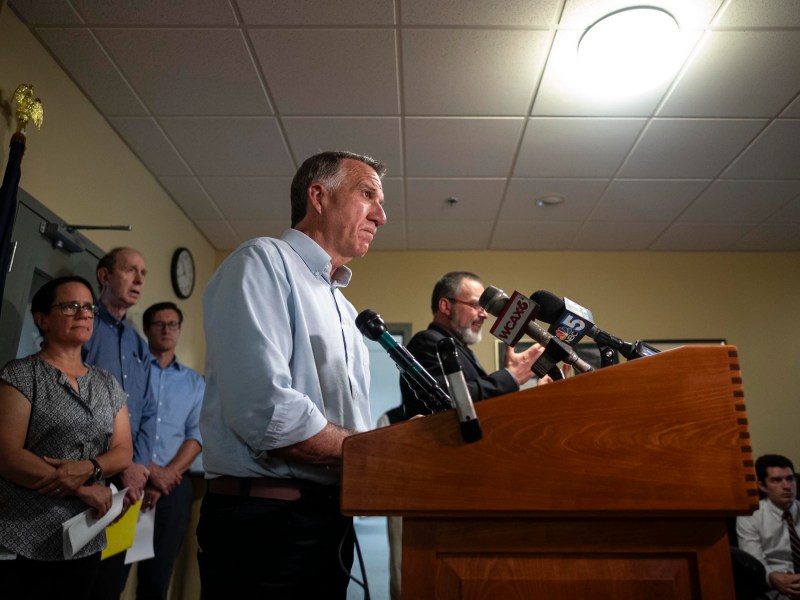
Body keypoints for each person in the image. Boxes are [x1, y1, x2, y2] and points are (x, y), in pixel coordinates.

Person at [197, 150, 387, 598]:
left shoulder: (346, 310)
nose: (381, 216)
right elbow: (267, 412)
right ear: (318, 197)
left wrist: (381, 450)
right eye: (367, 195)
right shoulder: (262, 261)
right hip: (266, 528)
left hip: (328, 525)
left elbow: (348, 426)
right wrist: (376, 450)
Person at [0, 276, 132, 599]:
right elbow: (7, 456)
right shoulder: (21, 375)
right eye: (70, 306)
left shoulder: (107, 384)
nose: (83, 313)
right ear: (42, 319)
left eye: (88, 307)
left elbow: (123, 450)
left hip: (85, 535)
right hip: (24, 533)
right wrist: (82, 488)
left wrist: (90, 467)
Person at [82, 247, 157, 598]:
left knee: (111, 582)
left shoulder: (138, 343)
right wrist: (122, 463)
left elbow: (149, 410)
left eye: (143, 273)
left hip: (130, 484)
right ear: (104, 276)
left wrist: (138, 466)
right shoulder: (84, 327)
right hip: (87, 474)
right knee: (77, 579)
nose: (139, 279)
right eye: (130, 270)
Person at [401, 271, 545, 417]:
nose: (485, 315)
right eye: (476, 305)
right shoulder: (426, 341)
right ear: (445, 306)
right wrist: (509, 376)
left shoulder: (461, 348)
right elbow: (444, 400)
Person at [135, 302, 204, 600]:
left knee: (156, 580)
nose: (166, 330)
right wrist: (150, 473)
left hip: (172, 489)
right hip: (129, 480)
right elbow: (123, 426)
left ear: (179, 330)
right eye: (159, 324)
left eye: (172, 324)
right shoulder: (132, 372)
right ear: (146, 329)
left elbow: (196, 435)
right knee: (110, 574)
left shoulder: (195, 383)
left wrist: (165, 478)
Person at [737, 454, 800, 599]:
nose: (786, 486)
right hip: (775, 585)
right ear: (762, 486)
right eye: (776, 480)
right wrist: (771, 577)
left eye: (790, 478)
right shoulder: (750, 516)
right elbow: (754, 562)